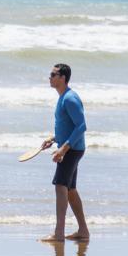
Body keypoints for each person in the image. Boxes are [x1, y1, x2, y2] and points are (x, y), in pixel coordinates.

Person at [40, 63, 90, 242]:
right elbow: (68, 125)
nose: (50, 77)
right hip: (72, 148)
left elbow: (82, 126)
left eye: (53, 74)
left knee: (60, 186)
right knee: (70, 190)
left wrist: (63, 148)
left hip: (72, 149)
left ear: (62, 78)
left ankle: (58, 233)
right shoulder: (62, 97)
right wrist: (54, 139)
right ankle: (83, 231)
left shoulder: (70, 98)